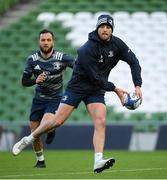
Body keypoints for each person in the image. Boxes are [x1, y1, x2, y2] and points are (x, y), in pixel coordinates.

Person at [12, 14, 142, 173]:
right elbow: (94, 77)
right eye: (102, 27)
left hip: (96, 89)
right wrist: (116, 89)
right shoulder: (87, 48)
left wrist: (137, 86)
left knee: (101, 121)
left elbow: (134, 61)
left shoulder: (117, 44)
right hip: (78, 86)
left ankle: (98, 160)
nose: (105, 29)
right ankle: (28, 139)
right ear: (97, 28)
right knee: (57, 121)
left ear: (112, 30)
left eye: (108, 27)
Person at [20, 29, 75, 168]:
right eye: (43, 40)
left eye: (48, 40)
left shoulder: (62, 57)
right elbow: (24, 81)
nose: (45, 42)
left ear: (53, 42)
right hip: (38, 100)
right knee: (34, 133)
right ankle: (40, 161)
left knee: (45, 124)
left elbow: (79, 68)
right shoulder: (32, 59)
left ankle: (51, 129)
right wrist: (35, 80)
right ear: (39, 42)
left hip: (55, 99)